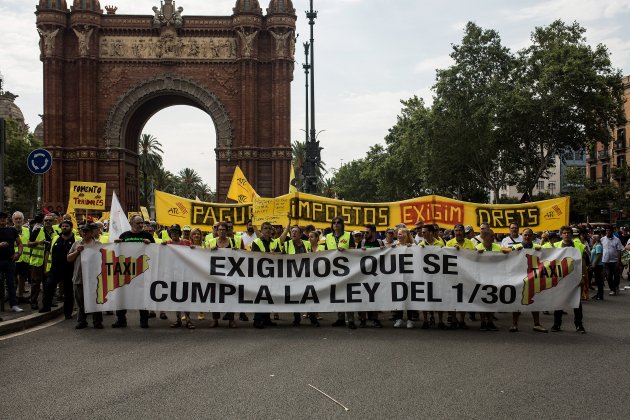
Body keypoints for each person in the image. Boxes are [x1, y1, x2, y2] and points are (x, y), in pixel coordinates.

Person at [112, 215, 155, 328]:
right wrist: (116, 244)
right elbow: (117, 254)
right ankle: (121, 319)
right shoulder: (124, 236)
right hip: (126, 271)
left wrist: (150, 244)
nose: (141, 225)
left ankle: (144, 320)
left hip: (142, 271)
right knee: (123, 295)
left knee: (142, 295)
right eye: (138, 223)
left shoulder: (147, 236)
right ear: (131, 224)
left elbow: (156, 251)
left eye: (142, 223)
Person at [543, 226, 586, 334]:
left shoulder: (579, 246)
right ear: (561, 235)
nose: (566, 235)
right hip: (560, 278)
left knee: (577, 302)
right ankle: (556, 324)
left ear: (571, 234)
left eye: (568, 233)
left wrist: (583, 277)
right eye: (564, 233)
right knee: (559, 301)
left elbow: (583, 263)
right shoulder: (555, 245)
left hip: (575, 278)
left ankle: (579, 325)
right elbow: (542, 252)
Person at [279, 219, 319, 327]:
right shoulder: (286, 245)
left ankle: (312, 318)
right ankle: (296, 318)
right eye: (292, 232)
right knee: (295, 297)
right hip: (292, 276)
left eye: (296, 232)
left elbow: (313, 255)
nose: (294, 233)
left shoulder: (307, 243)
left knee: (308, 297)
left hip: (306, 275)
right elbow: (281, 259)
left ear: (301, 234)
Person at [510, 228, 548, 333]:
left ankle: (537, 324)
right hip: (519, 278)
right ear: (522, 235)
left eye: (529, 235)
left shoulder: (537, 248)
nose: (527, 237)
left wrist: (542, 252)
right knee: (517, 301)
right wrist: (514, 253)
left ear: (532, 236)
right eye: (525, 235)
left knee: (535, 301)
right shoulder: (515, 247)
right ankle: (514, 324)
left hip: (533, 278)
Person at [67, 223, 103, 329]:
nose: (85, 233)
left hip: (94, 278)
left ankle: (97, 321)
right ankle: (81, 321)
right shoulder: (76, 244)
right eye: (83, 231)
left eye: (87, 231)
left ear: (91, 232)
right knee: (80, 301)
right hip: (79, 277)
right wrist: (77, 252)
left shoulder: (98, 244)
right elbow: (69, 259)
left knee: (96, 300)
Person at [324, 216, 357, 329]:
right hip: (333, 270)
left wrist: (346, 251)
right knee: (337, 294)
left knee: (348, 294)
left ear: (342, 225)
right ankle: (341, 318)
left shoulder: (348, 235)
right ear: (332, 225)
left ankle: (351, 319)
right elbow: (325, 252)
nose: (336, 224)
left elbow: (354, 250)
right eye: (334, 223)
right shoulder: (328, 237)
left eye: (338, 222)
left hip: (348, 269)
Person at [39, 219, 75, 319]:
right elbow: (47, 253)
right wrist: (46, 267)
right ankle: (46, 307)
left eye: (66, 226)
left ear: (71, 228)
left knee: (68, 292)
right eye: (63, 226)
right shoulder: (55, 238)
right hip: (55, 269)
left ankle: (68, 313)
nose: (64, 228)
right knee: (48, 287)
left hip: (69, 270)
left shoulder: (76, 240)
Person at [475, 229, 508, 331]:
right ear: (484, 237)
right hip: (481, 278)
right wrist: (476, 254)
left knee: (493, 300)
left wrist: (506, 252)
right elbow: (471, 261)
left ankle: (490, 321)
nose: (494, 238)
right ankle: (483, 322)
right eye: (492, 236)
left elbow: (509, 253)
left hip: (494, 277)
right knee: (482, 301)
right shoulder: (477, 247)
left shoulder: (497, 247)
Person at [207, 222, 239, 328]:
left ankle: (231, 320)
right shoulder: (211, 242)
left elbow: (241, 256)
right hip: (216, 274)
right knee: (215, 297)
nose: (221, 231)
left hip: (230, 274)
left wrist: (236, 251)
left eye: (223, 229)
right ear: (216, 231)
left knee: (231, 297)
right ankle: (215, 319)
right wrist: (209, 250)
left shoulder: (233, 242)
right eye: (219, 229)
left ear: (227, 231)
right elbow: (202, 255)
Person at [162, 224, 195, 329]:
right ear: (170, 234)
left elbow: (194, 252)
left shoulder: (186, 243)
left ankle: (188, 319)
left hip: (185, 274)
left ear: (179, 233)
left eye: (176, 232)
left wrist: (193, 248)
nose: (174, 234)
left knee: (185, 297)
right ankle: (178, 319)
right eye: (172, 232)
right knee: (176, 297)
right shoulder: (167, 243)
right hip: (173, 275)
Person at [251, 222, 282, 329]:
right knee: (260, 297)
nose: (268, 230)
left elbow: (279, 255)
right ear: (261, 230)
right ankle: (257, 320)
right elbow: (255, 256)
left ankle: (267, 319)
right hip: (260, 274)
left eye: (269, 228)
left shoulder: (275, 242)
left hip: (272, 274)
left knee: (269, 296)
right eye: (265, 228)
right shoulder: (256, 242)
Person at [445, 224, 476, 329]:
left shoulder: (470, 243)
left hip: (465, 275)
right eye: (456, 230)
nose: (458, 232)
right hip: (452, 275)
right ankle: (454, 320)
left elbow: (474, 256)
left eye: (460, 230)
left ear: (463, 232)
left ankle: (462, 320)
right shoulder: (449, 243)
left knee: (463, 298)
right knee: (452, 298)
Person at [357, 224, 384, 328]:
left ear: (373, 232)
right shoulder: (362, 243)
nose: (364, 234)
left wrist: (382, 250)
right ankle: (363, 319)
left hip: (376, 274)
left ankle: (375, 319)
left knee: (376, 297)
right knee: (363, 297)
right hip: (364, 274)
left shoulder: (380, 243)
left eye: (367, 232)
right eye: (364, 232)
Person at [28, 213, 56, 310]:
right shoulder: (37, 230)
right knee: (35, 283)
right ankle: (33, 302)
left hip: (49, 263)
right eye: (46, 220)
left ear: (54, 222)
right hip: (37, 262)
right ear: (43, 221)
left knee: (48, 283)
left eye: (50, 220)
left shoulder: (56, 233)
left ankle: (47, 302)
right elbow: (29, 244)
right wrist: (39, 242)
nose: (48, 222)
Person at [0, 211, 24, 313]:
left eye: (4, 218)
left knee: (11, 283)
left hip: (10, 260)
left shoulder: (12, 230)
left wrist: (18, 253)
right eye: (1, 218)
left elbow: (20, 244)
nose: (2, 220)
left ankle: (14, 304)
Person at [12, 211, 31, 302]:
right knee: (13, 279)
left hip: (25, 259)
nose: (18, 220)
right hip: (13, 259)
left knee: (23, 279)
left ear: (23, 220)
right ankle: (12, 296)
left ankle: (20, 296)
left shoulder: (27, 230)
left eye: (20, 219)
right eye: (16, 219)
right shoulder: (10, 231)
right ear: (13, 220)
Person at [601, 226, 623, 296]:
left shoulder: (617, 240)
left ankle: (616, 286)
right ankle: (612, 289)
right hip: (605, 261)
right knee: (608, 276)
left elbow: (619, 251)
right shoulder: (602, 239)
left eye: (609, 230)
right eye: (607, 230)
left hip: (614, 261)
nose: (608, 232)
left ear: (612, 231)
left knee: (616, 275)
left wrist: (618, 262)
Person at [590, 234, 604, 301]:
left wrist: (594, 264)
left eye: (592, 238)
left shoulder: (598, 246)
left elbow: (598, 255)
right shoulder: (595, 245)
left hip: (598, 265)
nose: (591, 239)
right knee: (598, 280)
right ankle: (598, 294)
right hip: (596, 265)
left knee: (599, 281)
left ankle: (600, 295)